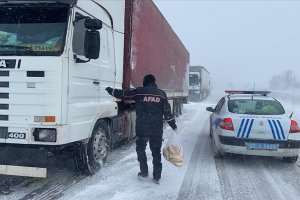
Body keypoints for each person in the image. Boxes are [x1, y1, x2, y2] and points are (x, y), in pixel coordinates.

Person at [105, 74, 177, 184]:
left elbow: (124, 94)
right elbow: (167, 112)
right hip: (156, 129)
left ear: (145, 82)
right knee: (156, 152)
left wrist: (111, 90)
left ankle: (144, 172)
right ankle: (157, 177)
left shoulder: (139, 91)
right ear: (154, 82)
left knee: (141, 149)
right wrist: (173, 126)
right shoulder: (162, 94)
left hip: (142, 128)